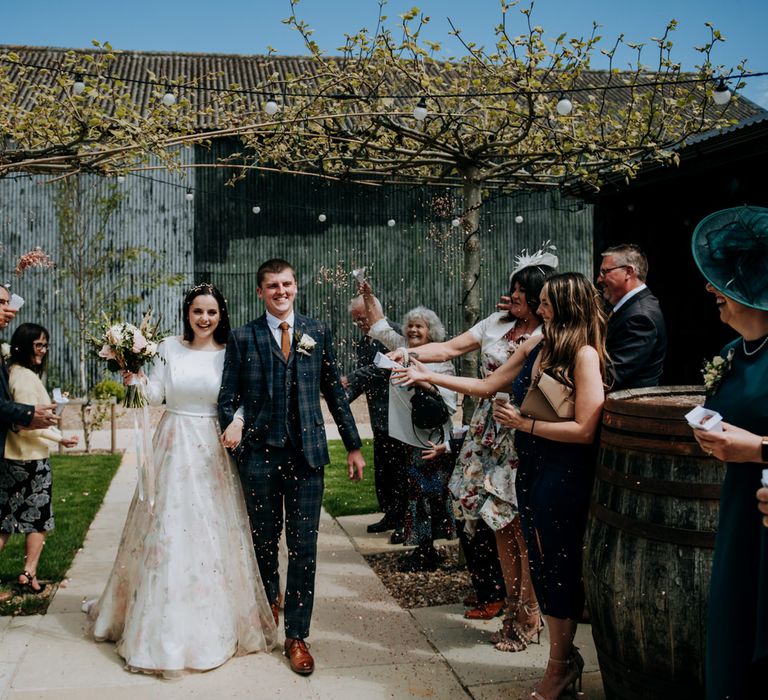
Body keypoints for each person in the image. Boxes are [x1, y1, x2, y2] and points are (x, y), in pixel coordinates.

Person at [394, 272, 607, 700]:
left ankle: (559, 665)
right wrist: (429, 375)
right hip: (529, 464)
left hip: (563, 471)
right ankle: (560, 658)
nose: (536, 308)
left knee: (557, 565)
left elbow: (586, 429)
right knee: (543, 564)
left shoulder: (583, 354)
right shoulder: (537, 344)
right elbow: (487, 385)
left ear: (565, 306)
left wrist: (523, 423)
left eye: (545, 303)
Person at [86, 284, 277, 677]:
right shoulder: (168, 349)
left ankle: (213, 627)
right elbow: (157, 395)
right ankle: (156, 629)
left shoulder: (232, 351)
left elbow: (243, 396)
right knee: (168, 530)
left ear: (221, 314)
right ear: (187, 314)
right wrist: (135, 378)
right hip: (173, 443)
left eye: (211, 312)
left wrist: (238, 422)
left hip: (212, 447)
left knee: (210, 531)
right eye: (197, 312)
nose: (204, 319)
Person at [389, 252, 555, 651]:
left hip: (518, 430)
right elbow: (447, 349)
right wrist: (409, 354)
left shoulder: (545, 336)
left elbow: (492, 384)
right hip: (486, 428)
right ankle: (510, 604)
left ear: (538, 298)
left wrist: (424, 372)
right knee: (493, 521)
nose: (510, 297)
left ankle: (529, 612)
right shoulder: (498, 323)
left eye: (519, 292)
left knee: (518, 524)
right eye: (512, 289)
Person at [218, 259, 365, 676]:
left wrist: (353, 446)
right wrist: (240, 445)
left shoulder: (316, 332)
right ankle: (268, 608)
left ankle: (296, 635)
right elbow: (227, 399)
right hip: (260, 456)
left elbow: (335, 393)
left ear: (295, 287)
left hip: (306, 457)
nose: (280, 291)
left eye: (286, 284)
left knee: (304, 548)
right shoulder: (243, 337)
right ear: (260, 291)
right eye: (272, 286)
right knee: (264, 543)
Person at [688, 206, 768, 700]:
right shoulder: (733, 353)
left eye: (725, 281)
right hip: (741, 514)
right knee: (733, 629)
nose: (711, 289)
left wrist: (757, 447)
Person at [361, 283, 457, 572]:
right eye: (411, 326)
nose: (414, 331)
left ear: (431, 332)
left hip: (431, 440)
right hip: (406, 438)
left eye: (420, 327)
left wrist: (419, 379)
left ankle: (428, 551)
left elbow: (449, 401)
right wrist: (367, 295)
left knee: (428, 495)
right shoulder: (401, 349)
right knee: (413, 493)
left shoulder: (440, 359)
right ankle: (422, 547)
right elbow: (378, 325)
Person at [0, 323, 78, 594]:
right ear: (23, 345)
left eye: (45, 345)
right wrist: (60, 438)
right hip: (29, 459)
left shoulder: (14, 373)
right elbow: (27, 423)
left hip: (14, 457)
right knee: (38, 519)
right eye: (38, 345)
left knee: (6, 521)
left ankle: (28, 574)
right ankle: (28, 572)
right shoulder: (23, 377)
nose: (43, 350)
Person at [343, 295, 409, 542]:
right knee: (385, 469)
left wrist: (351, 377)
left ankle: (405, 519)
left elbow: (383, 368)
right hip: (379, 416)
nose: (360, 323)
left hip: (399, 414)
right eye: (356, 320)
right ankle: (390, 514)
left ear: (374, 312)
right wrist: (343, 398)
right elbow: (366, 380)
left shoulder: (395, 334)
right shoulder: (364, 341)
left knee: (401, 470)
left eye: (362, 318)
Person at [597, 244, 666, 390]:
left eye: (604, 272)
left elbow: (612, 375)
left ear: (628, 271)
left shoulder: (640, 317)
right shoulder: (631, 307)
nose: (599, 279)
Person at [0, 285, 58, 460]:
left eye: (8, 303)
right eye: (1, 303)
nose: (9, 309)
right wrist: (28, 413)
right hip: (25, 458)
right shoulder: (22, 375)